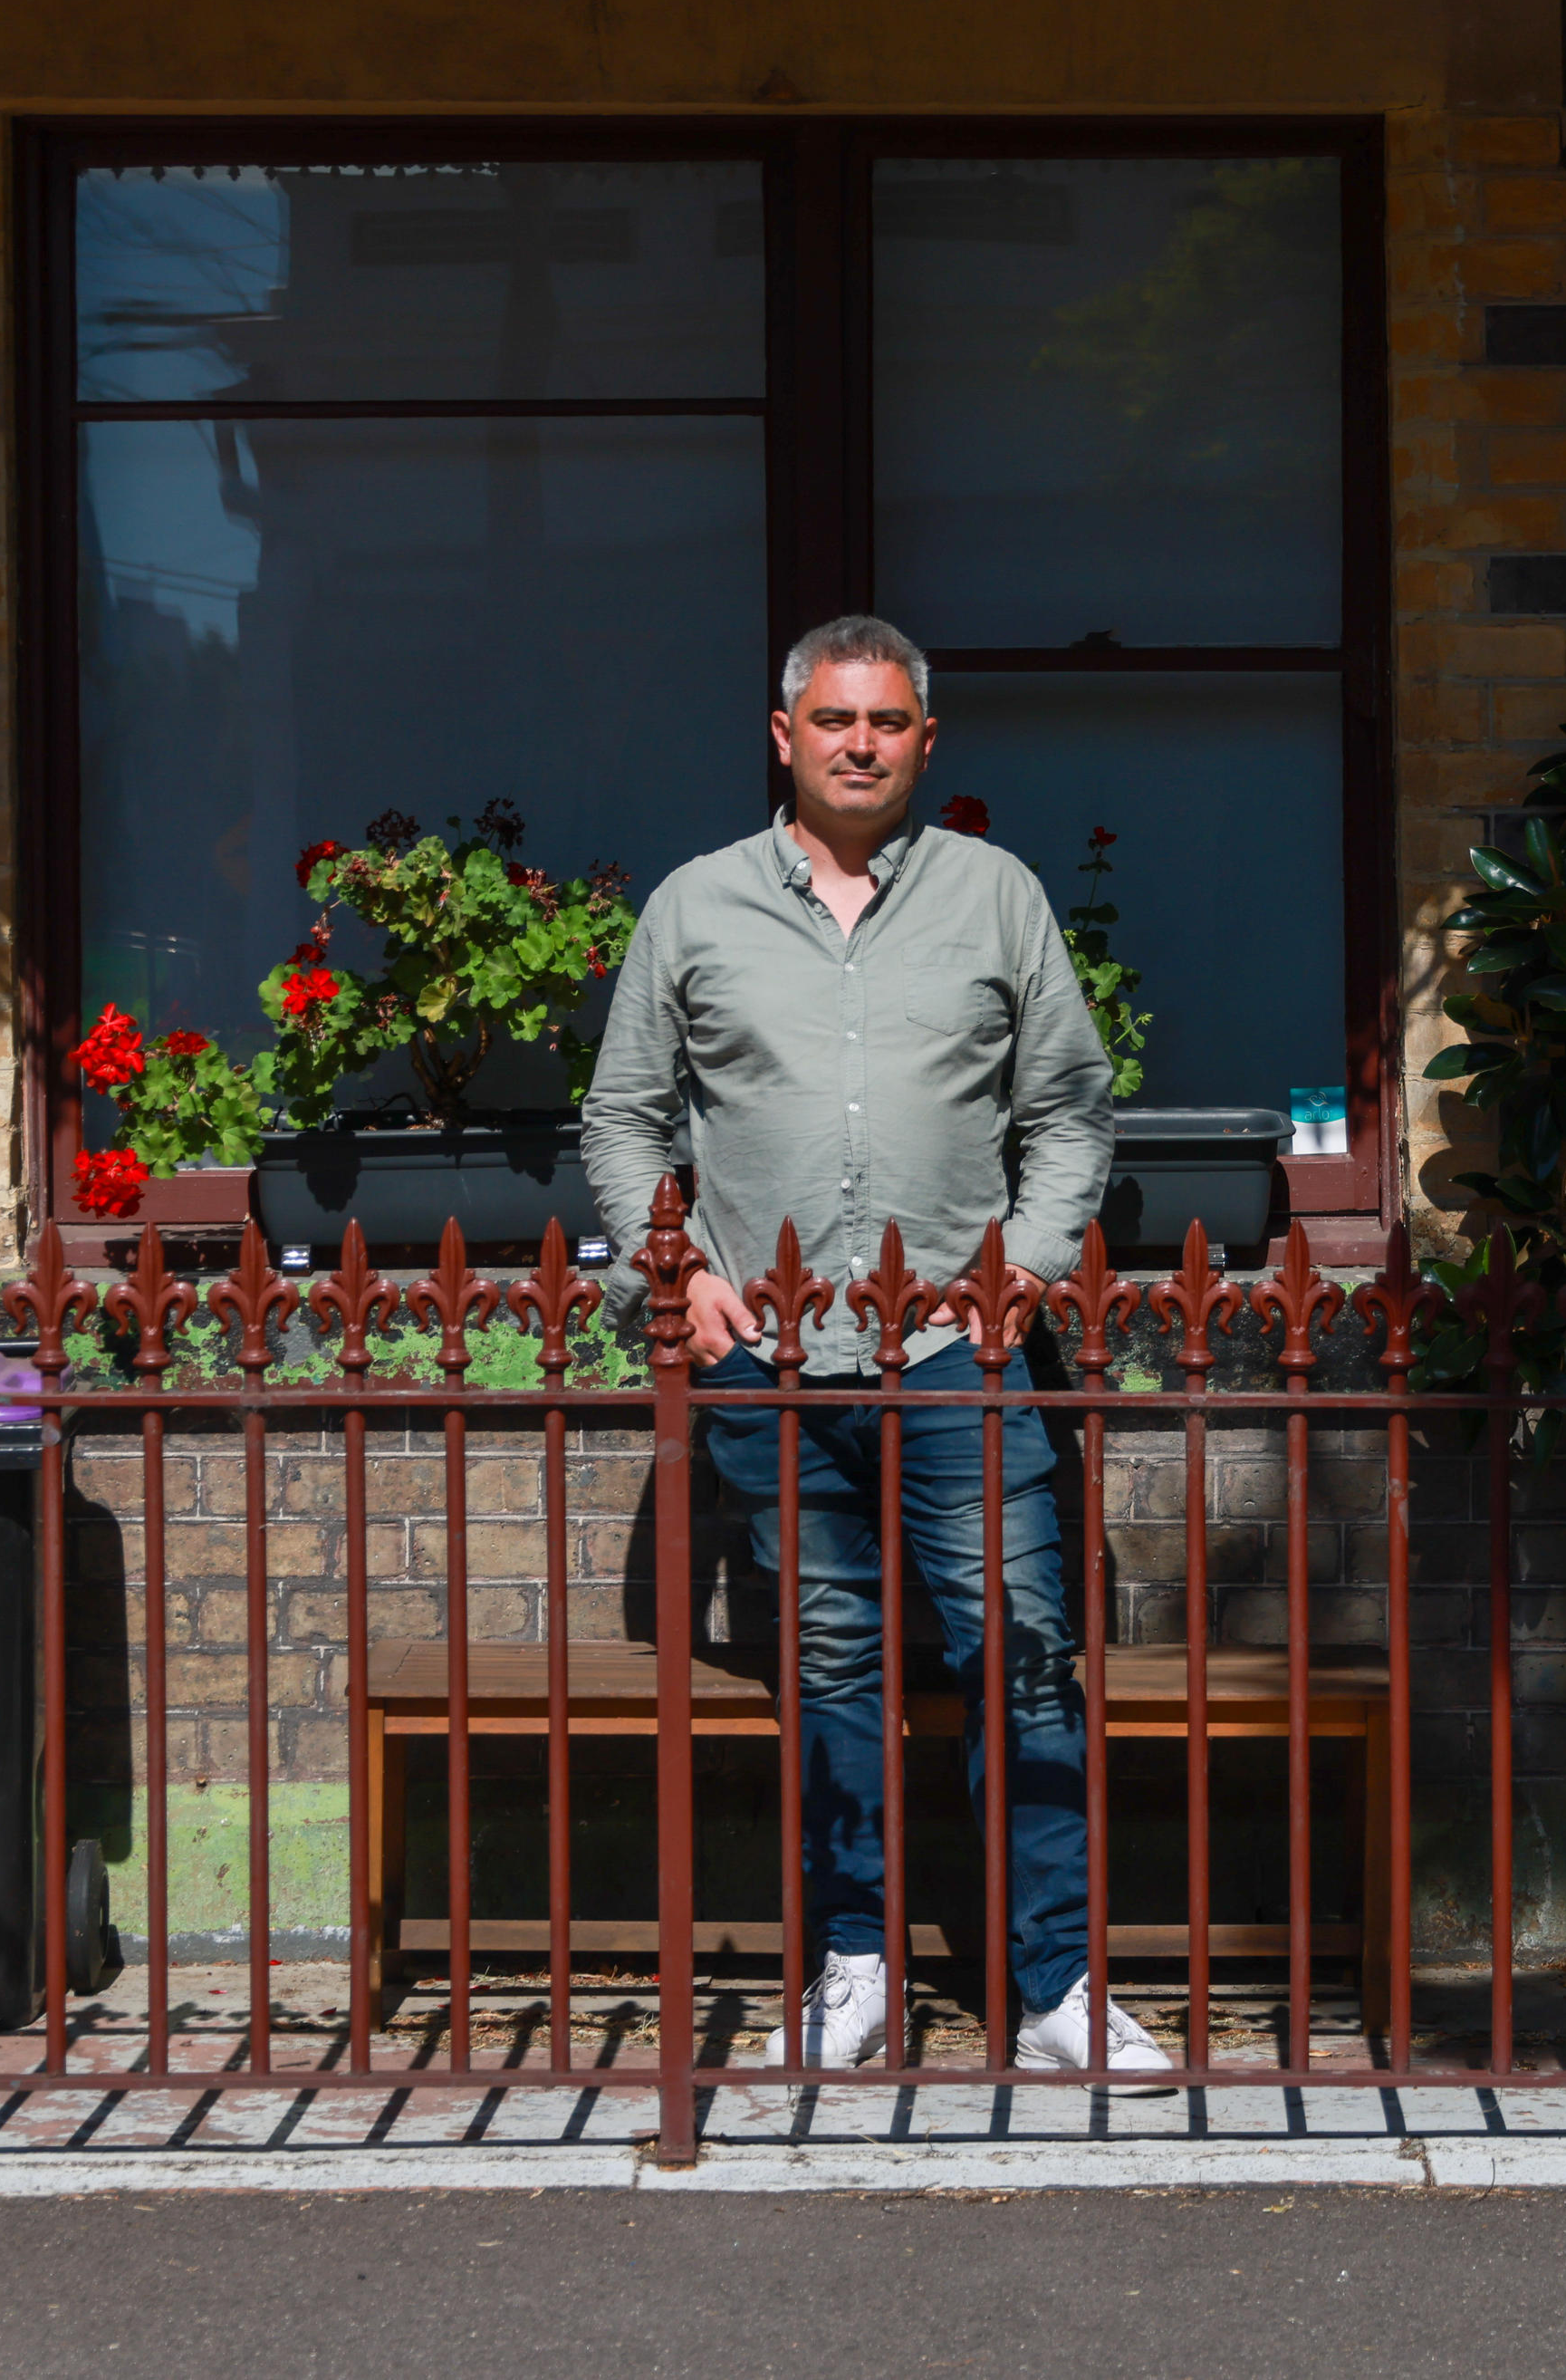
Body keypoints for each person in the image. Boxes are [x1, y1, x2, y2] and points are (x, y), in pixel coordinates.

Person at [580, 612, 1170, 2083]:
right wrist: (680, 1275)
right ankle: (857, 1969)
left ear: (925, 740)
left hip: (958, 1360)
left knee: (1022, 1658)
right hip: (774, 1366)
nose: (860, 743)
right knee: (833, 1666)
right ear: (784, 735)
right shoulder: (697, 908)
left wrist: (1025, 1261)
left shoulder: (995, 897)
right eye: (835, 719)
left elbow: (1072, 1109)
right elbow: (624, 1119)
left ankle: (1056, 1982)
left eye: (887, 721)